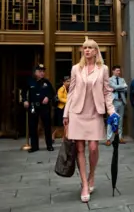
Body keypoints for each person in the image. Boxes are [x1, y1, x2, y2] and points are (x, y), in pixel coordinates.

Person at [63, 39, 117, 203]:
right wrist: (66, 114)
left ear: (96, 51)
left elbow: (107, 92)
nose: (86, 50)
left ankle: (92, 175)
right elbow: (71, 92)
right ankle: (84, 184)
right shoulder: (76, 69)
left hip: (95, 112)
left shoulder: (104, 69)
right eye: (84, 48)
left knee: (93, 147)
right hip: (77, 113)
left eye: (90, 48)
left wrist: (112, 111)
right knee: (79, 148)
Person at [22, 64, 55, 153]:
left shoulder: (46, 82)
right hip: (33, 106)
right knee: (33, 127)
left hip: (44, 107)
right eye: (40, 71)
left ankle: (49, 145)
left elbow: (52, 93)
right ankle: (34, 146)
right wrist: (25, 100)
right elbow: (24, 92)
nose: (42, 73)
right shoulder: (30, 81)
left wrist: (48, 97)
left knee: (47, 126)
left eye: (43, 71)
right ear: (35, 72)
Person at [106, 65, 127, 145]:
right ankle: (108, 139)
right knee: (112, 120)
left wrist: (117, 88)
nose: (119, 72)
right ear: (113, 71)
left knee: (120, 120)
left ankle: (120, 137)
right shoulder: (109, 80)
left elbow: (126, 89)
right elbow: (114, 87)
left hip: (121, 101)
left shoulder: (122, 79)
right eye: (117, 71)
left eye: (119, 71)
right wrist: (121, 87)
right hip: (113, 102)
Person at [52, 76, 70, 142]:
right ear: (64, 82)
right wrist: (68, 100)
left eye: (70, 81)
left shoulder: (69, 89)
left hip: (66, 108)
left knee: (66, 124)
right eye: (67, 81)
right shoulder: (61, 89)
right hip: (61, 108)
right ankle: (53, 136)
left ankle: (64, 137)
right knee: (60, 125)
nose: (69, 83)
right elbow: (60, 98)